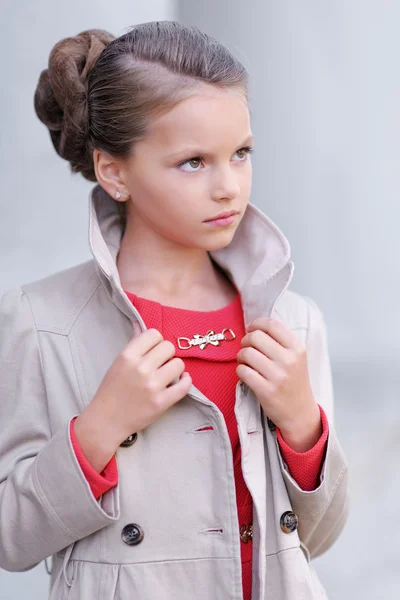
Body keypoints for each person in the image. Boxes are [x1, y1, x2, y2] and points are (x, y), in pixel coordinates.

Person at [0, 21, 349, 600]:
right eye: (193, 162)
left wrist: (303, 425)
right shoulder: (42, 322)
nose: (229, 187)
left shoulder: (293, 321)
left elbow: (321, 537)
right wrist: (98, 431)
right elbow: (11, 537)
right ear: (114, 171)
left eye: (240, 153)